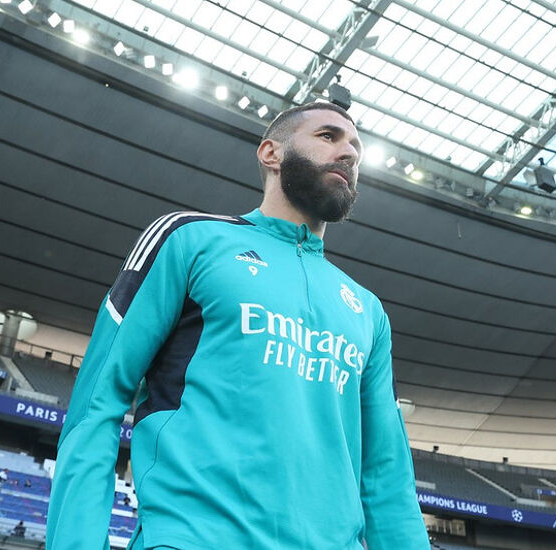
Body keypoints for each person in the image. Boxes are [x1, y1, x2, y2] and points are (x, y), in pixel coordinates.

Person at [46, 102, 428, 550]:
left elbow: (386, 477)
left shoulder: (367, 310)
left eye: (356, 150)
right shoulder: (189, 239)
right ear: (270, 153)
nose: (349, 153)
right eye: (329, 136)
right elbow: (97, 404)